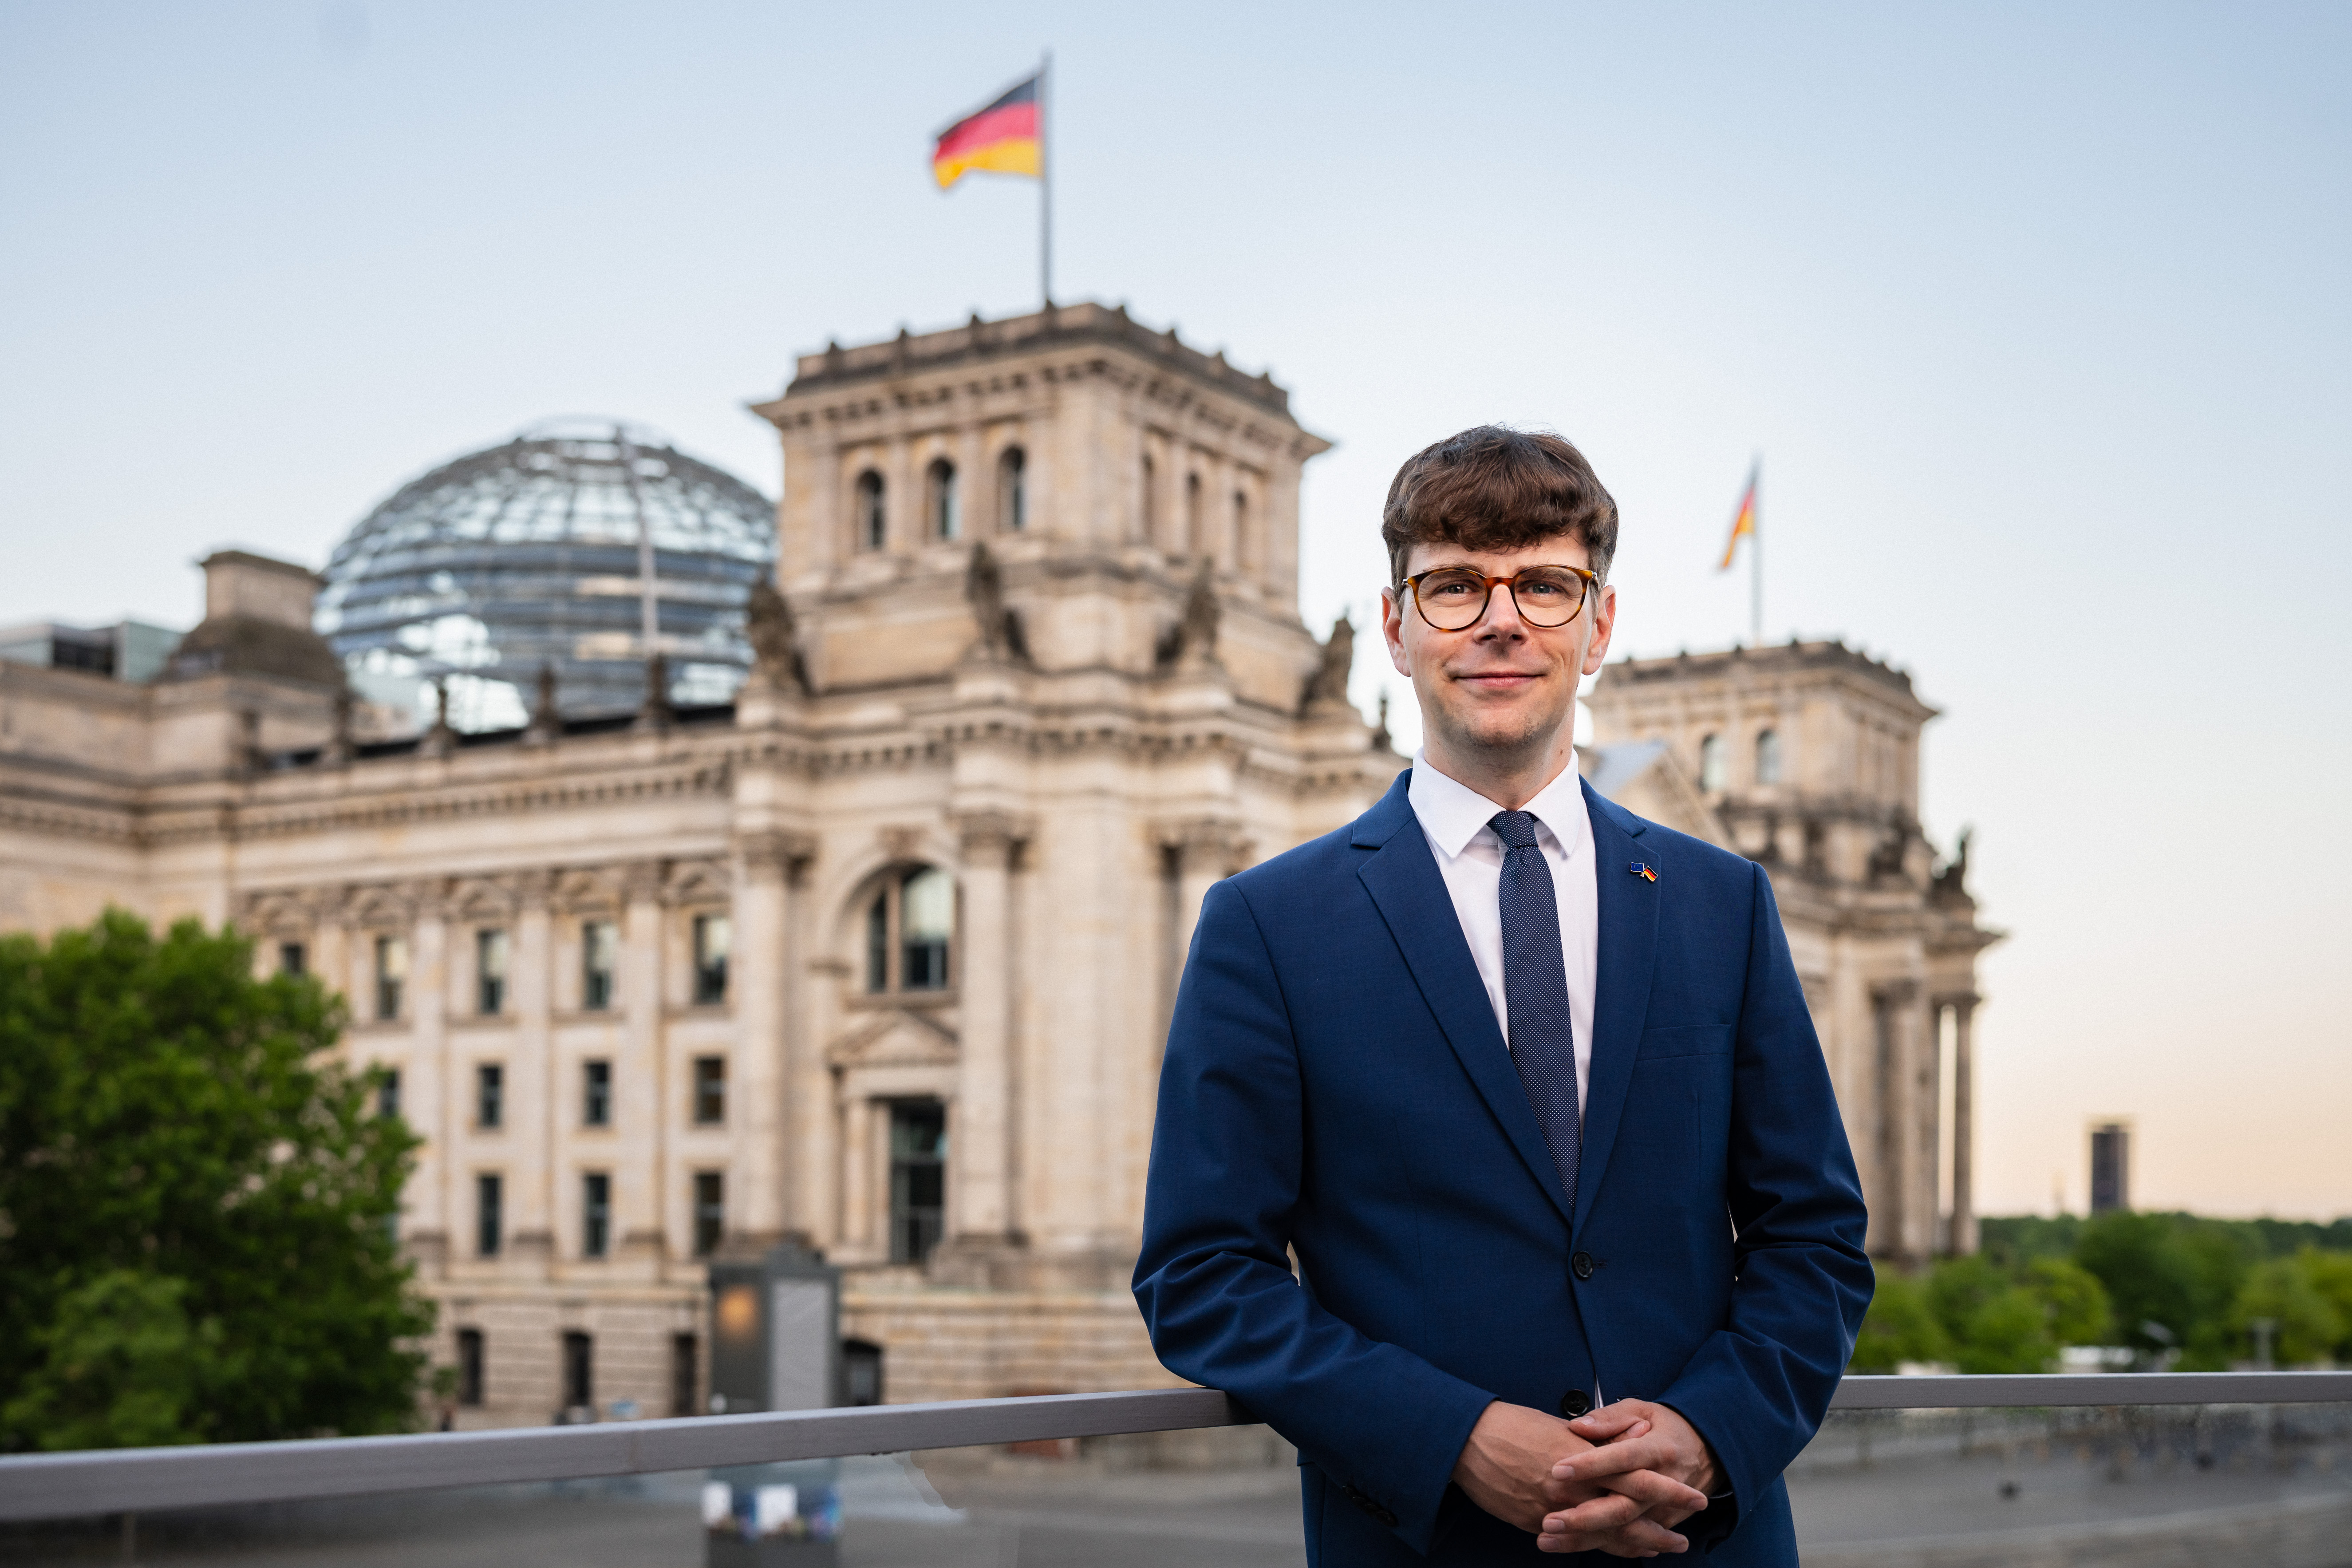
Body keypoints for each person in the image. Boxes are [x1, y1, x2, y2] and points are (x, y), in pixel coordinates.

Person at [1133, 427, 1872, 1564]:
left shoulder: (1721, 902)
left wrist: (1707, 1433)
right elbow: (1200, 1277)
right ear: (1395, 628)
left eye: (1543, 585)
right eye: (1452, 587)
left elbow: (1812, 1235)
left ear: (1598, 626)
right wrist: (1453, 1437)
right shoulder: (1268, 923)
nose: (1500, 620)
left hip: (1700, 1538)